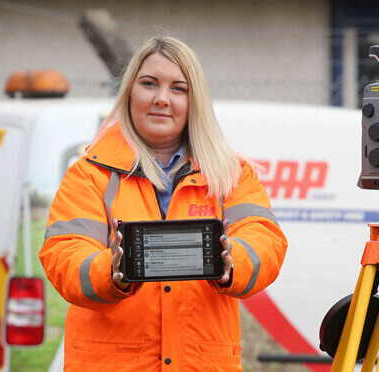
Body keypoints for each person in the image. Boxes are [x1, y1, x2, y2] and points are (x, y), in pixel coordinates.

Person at [39, 36, 287, 371]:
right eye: (149, 84)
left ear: (194, 100)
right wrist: (111, 270)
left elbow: (266, 242)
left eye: (178, 88)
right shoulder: (89, 174)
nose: (161, 99)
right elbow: (64, 256)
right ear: (129, 92)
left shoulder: (232, 175)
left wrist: (232, 261)